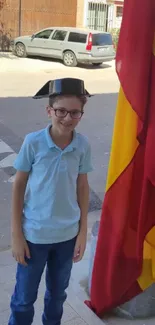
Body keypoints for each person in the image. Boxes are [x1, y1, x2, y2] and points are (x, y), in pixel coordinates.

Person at [8, 78, 93, 325]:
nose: (67, 118)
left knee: (57, 295)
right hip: (34, 236)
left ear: (82, 113)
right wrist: (17, 234)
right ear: (49, 111)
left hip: (67, 236)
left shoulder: (82, 144)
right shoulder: (33, 142)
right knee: (24, 298)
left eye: (75, 112)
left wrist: (82, 231)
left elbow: (82, 186)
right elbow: (19, 185)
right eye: (61, 111)